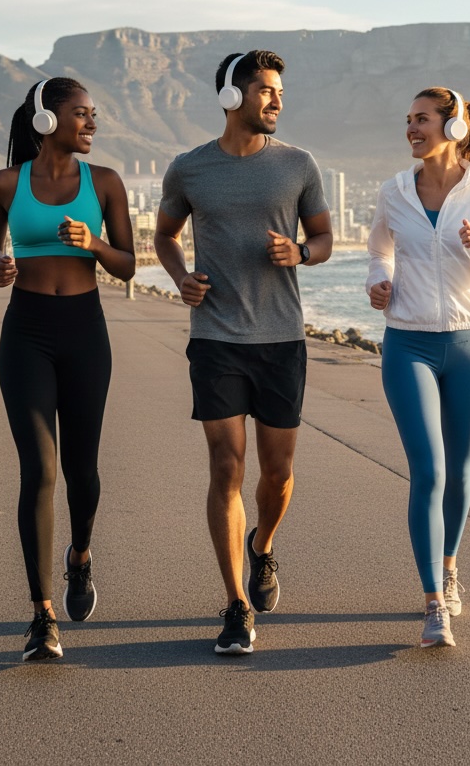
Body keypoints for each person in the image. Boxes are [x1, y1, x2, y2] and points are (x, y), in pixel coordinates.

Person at [154, 49, 333, 656]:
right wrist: (182, 277)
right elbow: (164, 235)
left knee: (276, 474)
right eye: (263, 89)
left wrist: (301, 254)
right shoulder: (189, 169)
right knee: (226, 467)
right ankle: (234, 606)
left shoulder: (299, 165)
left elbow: (325, 238)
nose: (276, 100)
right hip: (216, 339)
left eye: (279, 90)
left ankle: (262, 546)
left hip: (281, 340)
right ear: (231, 96)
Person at [365, 87, 470, 649]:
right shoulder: (393, 191)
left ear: (454, 126)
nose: (412, 128)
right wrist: (377, 283)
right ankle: (435, 602)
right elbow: (378, 250)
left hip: (469, 347)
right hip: (407, 343)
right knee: (429, 472)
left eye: (423, 119)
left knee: (460, 473)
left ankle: (451, 564)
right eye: (408, 119)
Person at [0, 77, 134, 662]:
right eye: (81, 114)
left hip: (85, 331)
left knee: (82, 472)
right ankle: (42, 616)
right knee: (39, 471)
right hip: (27, 333)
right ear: (46, 120)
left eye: (94, 115)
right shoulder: (4, 184)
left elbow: (129, 266)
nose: (91, 124)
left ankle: (80, 556)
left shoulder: (107, 183)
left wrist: (93, 243)